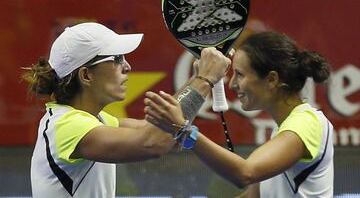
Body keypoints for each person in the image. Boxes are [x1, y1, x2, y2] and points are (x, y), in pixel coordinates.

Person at [22, 22, 231, 198]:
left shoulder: (93, 120)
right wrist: (205, 79)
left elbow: (159, 128)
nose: (127, 66)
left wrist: (197, 77)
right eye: (116, 59)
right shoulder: (66, 126)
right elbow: (153, 142)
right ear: (86, 75)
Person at [143, 31, 334, 197]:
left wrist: (185, 132)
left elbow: (245, 173)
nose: (232, 84)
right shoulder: (284, 128)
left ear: (272, 79)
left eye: (240, 74)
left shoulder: (306, 123)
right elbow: (253, 196)